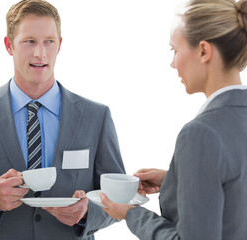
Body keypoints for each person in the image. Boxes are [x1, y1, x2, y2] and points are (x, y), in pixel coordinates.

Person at [0, 0, 125, 239]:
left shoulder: (96, 116)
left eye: (49, 42)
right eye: (29, 41)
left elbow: (118, 197)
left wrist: (87, 212)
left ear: (60, 45)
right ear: (9, 45)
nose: (40, 53)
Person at [100, 0, 247, 239]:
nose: (172, 63)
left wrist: (130, 214)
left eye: (174, 50)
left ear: (203, 51)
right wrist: (177, 178)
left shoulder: (200, 133)